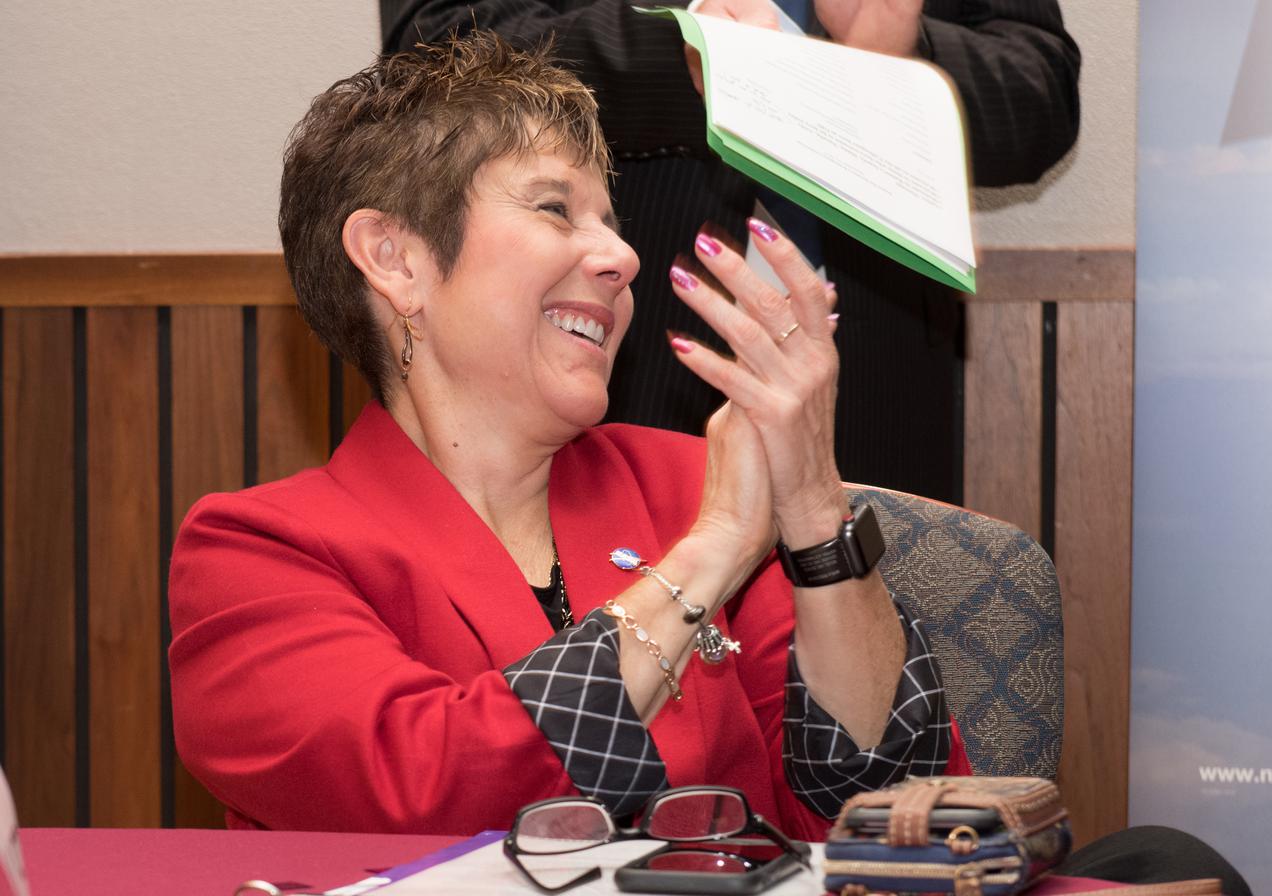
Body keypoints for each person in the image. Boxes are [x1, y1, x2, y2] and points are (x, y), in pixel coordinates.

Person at [168, 32, 965, 842]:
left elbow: (890, 805)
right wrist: (712, 553)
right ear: (394, 259)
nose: (622, 255)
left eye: (613, 224)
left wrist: (816, 515)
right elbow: (420, 789)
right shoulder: (256, 553)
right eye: (555, 209)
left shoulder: (694, 481)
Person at [380, 0, 1082, 504]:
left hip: (876, 380)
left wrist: (900, 62)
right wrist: (688, 54)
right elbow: (435, 42)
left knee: (863, 687)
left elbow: (1041, 93)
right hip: (606, 360)